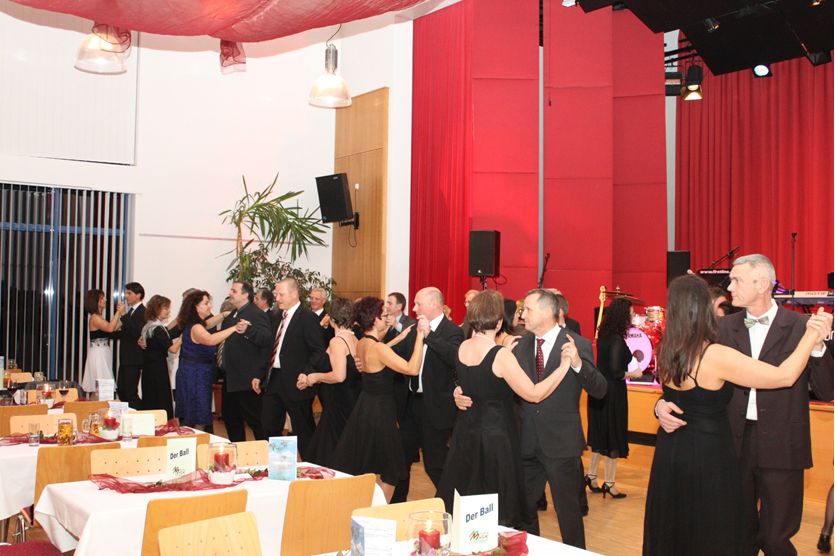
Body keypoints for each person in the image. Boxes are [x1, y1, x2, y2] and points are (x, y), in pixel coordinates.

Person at [656, 255, 833, 555]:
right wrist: (660, 405)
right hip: (729, 444)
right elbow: (684, 377)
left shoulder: (803, 326)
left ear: (762, 284)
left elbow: (826, 390)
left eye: (736, 280)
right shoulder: (719, 328)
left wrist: (817, 346)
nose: (729, 287)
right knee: (736, 534)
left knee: (776, 538)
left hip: (782, 444)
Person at [455, 288, 605, 549]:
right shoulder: (518, 345)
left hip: (561, 444)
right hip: (524, 442)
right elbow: (492, 382)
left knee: (568, 515)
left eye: (528, 309)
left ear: (547, 312)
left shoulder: (576, 344)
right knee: (523, 513)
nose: (522, 314)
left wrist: (578, 364)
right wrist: (458, 391)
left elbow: (600, 389)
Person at [437, 290, 573, 527]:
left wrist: (458, 392)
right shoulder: (500, 356)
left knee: (467, 501)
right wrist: (563, 367)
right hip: (495, 438)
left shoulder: (463, 347)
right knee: (495, 508)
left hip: (465, 434)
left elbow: (477, 381)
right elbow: (534, 394)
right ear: (499, 322)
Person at [332, 296, 424, 501]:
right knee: (391, 470)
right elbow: (412, 368)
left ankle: (365, 507)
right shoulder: (378, 348)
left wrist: (399, 338)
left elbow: (379, 353)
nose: (387, 318)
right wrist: (419, 337)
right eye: (384, 315)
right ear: (374, 319)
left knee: (368, 461)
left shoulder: (363, 343)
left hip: (365, 406)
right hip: (381, 411)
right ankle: (378, 513)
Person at [391, 287, 464, 503]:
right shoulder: (414, 329)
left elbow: (454, 358)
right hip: (411, 405)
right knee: (400, 460)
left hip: (436, 408)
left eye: (418, 304)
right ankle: (396, 505)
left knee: (435, 464)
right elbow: (397, 354)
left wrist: (429, 335)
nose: (414, 309)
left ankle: (453, 505)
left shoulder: (452, 331)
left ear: (433, 304)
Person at [259, 278, 325, 452]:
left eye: (281, 294)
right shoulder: (276, 316)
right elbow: (270, 349)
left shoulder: (308, 317)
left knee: (303, 429)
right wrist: (259, 375)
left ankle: (311, 464)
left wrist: (307, 373)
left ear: (294, 294)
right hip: (274, 378)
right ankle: (279, 463)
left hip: (297, 381)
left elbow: (318, 351)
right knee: (269, 425)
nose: (277, 298)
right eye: (276, 294)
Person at [585, 298, 643, 498]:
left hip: (599, 390)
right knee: (613, 436)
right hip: (613, 393)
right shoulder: (617, 340)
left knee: (600, 435)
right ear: (622, 316)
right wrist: (634, 374)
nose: (632, 317)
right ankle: (609, 483)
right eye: (631, 314)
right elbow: (616, 372)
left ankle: (591, 476)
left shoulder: (603, 336)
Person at [296, 298, 361, 466]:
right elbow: (322, 360)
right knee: (335, 445)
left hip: (339, 401)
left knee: (329, 449)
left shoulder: (337, 342)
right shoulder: (355, 339)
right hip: (349, 399)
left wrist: (315, 377)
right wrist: (307, 376)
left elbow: (339, 376)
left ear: (332, 319)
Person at [174, 290, 239, 431]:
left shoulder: (194, 323)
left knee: (192, 412)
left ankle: (191, 439)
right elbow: (210, 340)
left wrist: (223, 315)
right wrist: (235, 328)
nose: (210, 306)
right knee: (198, 414)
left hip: (192, 372)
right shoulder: (196, 327)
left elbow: (208, 324)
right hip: (196, 375)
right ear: (195, 306)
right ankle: (195, 441)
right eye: (206, 303)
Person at [219, 281, 272, 442]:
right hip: (231, 378)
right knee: (230, 418)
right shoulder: (233, 314)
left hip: (247, 379)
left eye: (234, 291)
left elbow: (266, 340)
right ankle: (239, 451)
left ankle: (266, 453)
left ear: (245, 295)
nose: (230, 293)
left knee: (256, 421)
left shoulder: (256, 313)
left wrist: (249, 330)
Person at [140, 295, 180, 419]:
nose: (168, 311)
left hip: (148, 368)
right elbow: (173, 349)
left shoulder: (148, 326)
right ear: (157, 309)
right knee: (161, 398)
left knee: (150, 398)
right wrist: (183, 338)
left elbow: (167, 332)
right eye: (165, 308)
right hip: (158, 369)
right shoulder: (157, 329)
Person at [81, 289, 125, 393]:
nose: (105, 300)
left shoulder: (99, 317)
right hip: (98, 353)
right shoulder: (94, 318)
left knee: (102, 388)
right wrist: (118, 312)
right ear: (95, 302)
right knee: (103, 387)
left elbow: (113, 328)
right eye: (101, 298)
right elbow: (110, 328)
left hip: (103, 351)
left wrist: (123, 317)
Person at [117, 282, 146, 408]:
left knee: (130, 393)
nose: (126, 296)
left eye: (129, 293)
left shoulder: (143, 312)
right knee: (121, 390)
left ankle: (140, 413)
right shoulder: (131, 312)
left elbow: (136, 332)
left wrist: (124, 315)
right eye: (126, 293)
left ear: (138, 295)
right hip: (125, 358)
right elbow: (124, 332)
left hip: (134, 358)